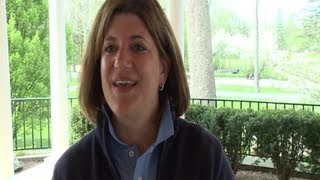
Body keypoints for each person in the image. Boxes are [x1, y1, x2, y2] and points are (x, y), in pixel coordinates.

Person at [52, 0, 235, 179]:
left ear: (163, 69)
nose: (121, 61)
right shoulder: (70, 170)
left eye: (138, 47)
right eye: (110, 48)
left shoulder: (206, 158)